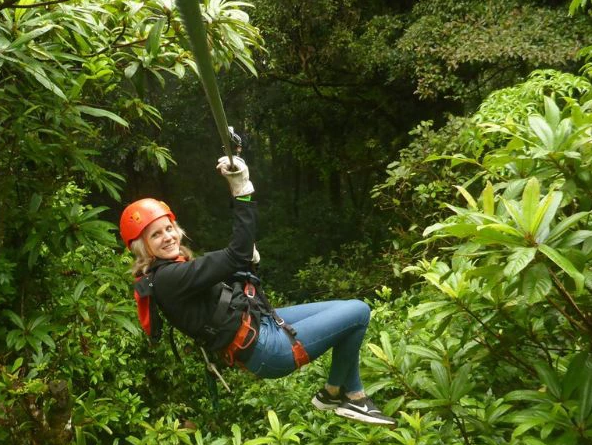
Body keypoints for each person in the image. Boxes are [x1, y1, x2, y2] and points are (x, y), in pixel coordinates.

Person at [119, 156, 396, 426]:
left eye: (168, 228)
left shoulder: (174, 270)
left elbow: (228, 279)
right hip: (266, 349)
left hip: (259, 324)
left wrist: (245, 266)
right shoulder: (169, 278)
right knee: (359, 311)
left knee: (346, 310)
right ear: (143, 248)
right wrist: (242, 192)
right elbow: (235, 253)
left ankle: (340, 395)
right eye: (156, 235)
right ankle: (343, 393)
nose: (168, 237)